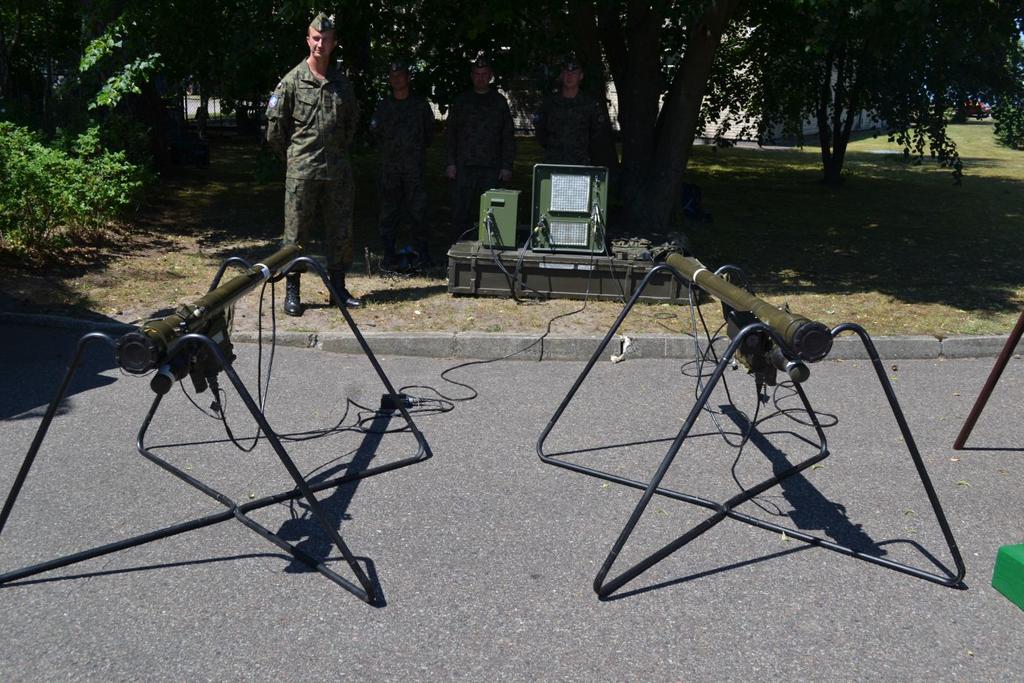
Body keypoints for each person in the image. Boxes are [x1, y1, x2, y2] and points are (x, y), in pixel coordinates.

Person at [265, 12, 361, 317]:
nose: (321, 43)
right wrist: (294, 158)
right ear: (308, 40)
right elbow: (274, 131)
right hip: (303, 172)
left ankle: (338, 290)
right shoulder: (292, 81)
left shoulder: (342, 83)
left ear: (334, 44)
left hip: (337, 171)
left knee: (340, 231)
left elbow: (351, 124)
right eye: (316, 38)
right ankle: (292, 292)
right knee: (295, 236)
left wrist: (335, 152)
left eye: (326, 39)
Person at [370, 60, 436, 268]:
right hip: (390, 170)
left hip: (414, 169)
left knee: (419, 213)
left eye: (400, 75)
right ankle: (389, 255)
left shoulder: (420, 105)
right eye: (392, 76)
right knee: (389, 213)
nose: (396, 79)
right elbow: (376, 134)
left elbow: (429, 135)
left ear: (408, 78)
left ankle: (423, 255)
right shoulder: (384, 106)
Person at [445, 55, 515, 242]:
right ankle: (459, 253)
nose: (480, 78)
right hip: (464, 167)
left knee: (490, 213)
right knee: (461, 212)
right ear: (471, 76)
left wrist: (507, 165)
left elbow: (507, 136)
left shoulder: (499, 102)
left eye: (484, 74)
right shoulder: (461, 101)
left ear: (490, 76)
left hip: (491, 168)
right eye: (477, 74)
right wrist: (450, 163)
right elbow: (451, 134)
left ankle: (488, 253)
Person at [534, 56, 604, 165]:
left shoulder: (590, 104)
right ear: (561, 75)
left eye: (574, 73)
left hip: (580, 162)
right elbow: (540, 131)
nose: (569, 76)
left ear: (581, 76)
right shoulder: (549, 103)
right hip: (553, 162)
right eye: (566, 72)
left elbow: (596, 134)